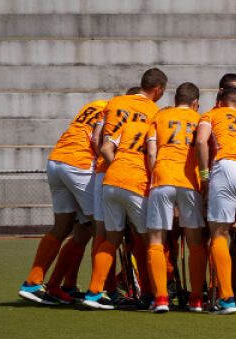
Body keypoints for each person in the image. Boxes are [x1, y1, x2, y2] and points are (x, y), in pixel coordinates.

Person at [17, 99, 106, 305]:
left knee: (68, 227)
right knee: (100, 227)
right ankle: (98, 290)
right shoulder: (121, 111)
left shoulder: (97, 104)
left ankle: (42, 283)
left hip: (57, 160)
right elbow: (96, 139)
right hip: (80, 163)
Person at [194, 86, 236, 315]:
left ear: (220, 101)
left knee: (219, 232)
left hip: (227, 165)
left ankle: (226, 298)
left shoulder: (212, 114)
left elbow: (201, 142)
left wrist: (204, 176)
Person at [82, 112, 155, 310]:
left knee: (111, 239)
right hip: (136, 184)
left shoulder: (127, 126)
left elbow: (105, 148)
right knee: (150, 241)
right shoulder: (153, 127)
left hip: (111, 181)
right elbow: (151, 155)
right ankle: (151, 294)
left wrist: (117, 166)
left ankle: (94, 292)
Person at [144, 82, 205, 313]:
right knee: (195, 242)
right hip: (189, 181)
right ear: (195, 103)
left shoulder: (160, 116)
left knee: (156, 240)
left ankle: (161, 298)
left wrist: (154, 175)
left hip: (162, 178)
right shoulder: (200, 119)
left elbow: (151, 151)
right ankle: (196, 299)